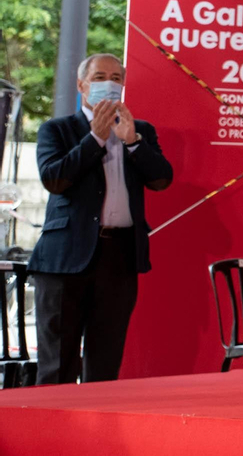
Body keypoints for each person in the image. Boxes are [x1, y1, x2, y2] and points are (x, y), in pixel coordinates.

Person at [29, 53, 173, 384]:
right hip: (64, 259)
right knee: (57, 364)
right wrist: (94, 137)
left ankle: (100, 432)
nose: (109, 83)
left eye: (117, 77)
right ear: (81, 85)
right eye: (99, 78)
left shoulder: (141, 131)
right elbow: (55, 180)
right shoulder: (57, 129)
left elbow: (162, 180)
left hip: (120, 256)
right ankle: (52, 431)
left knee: (105, 362)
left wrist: (133, 141)